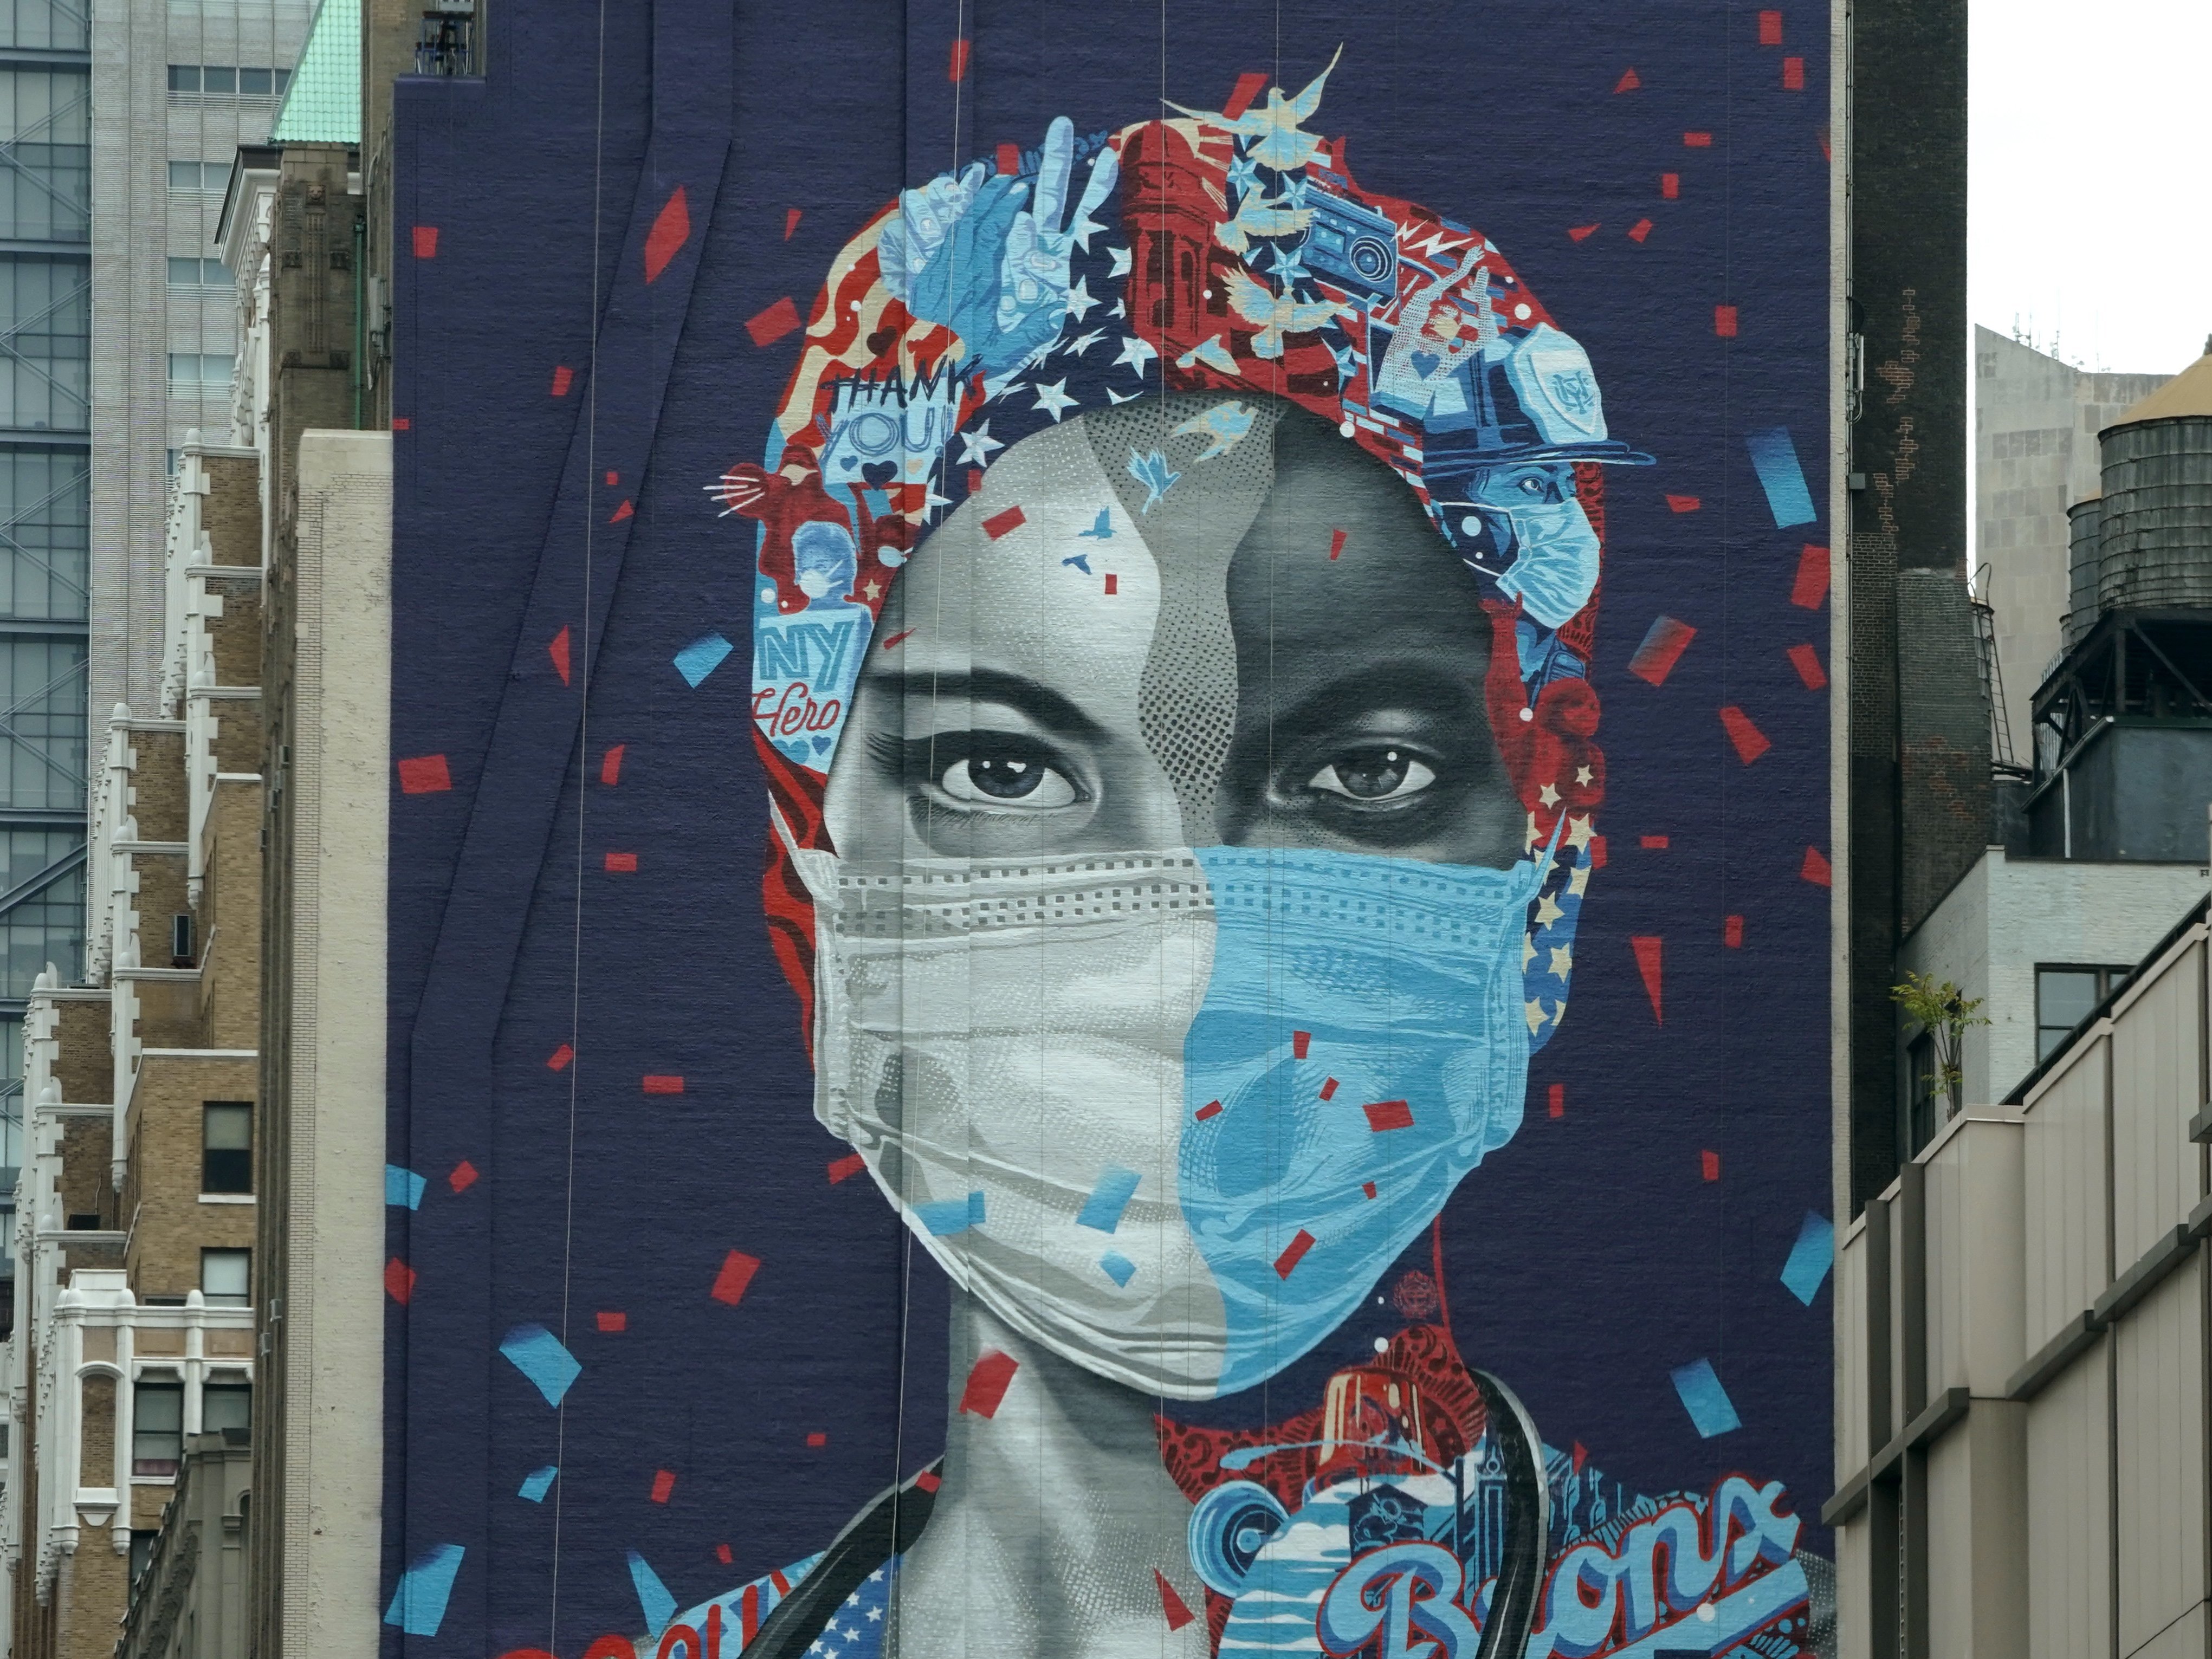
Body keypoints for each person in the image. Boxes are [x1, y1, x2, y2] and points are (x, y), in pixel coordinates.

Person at [684, 64, 1822, 1659]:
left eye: (1363, 772)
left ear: (1541, 885)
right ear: (812, 886)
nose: (1187, 952)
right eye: (999, 769)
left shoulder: (1717, 1628)